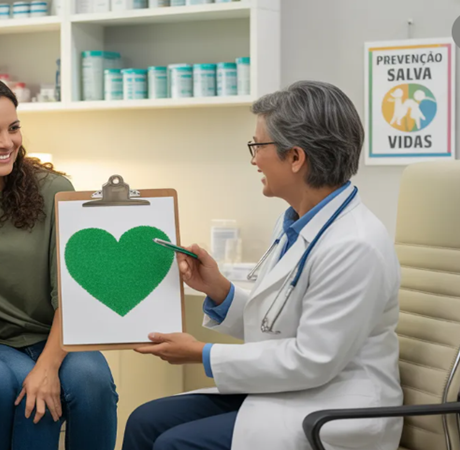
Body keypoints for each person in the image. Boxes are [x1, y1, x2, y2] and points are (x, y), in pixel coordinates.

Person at [123, 80, 403, 450]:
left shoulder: (355, 245)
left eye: (258, 146)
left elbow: (312, 360)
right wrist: (218, 290)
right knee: (145, 421)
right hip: (292, 391)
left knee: (175, 444)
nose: (254, 159)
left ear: (296, 157)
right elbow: (275, 327)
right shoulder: (295, 223)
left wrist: (202, 355)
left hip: (335, 408)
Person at [0, 75, 119, 450]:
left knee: (92, 382)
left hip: (57, 335)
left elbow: (72, 291)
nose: (7, 142)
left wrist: (47, 366)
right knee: (24, 393)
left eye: (13, 128)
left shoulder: (54, 189)